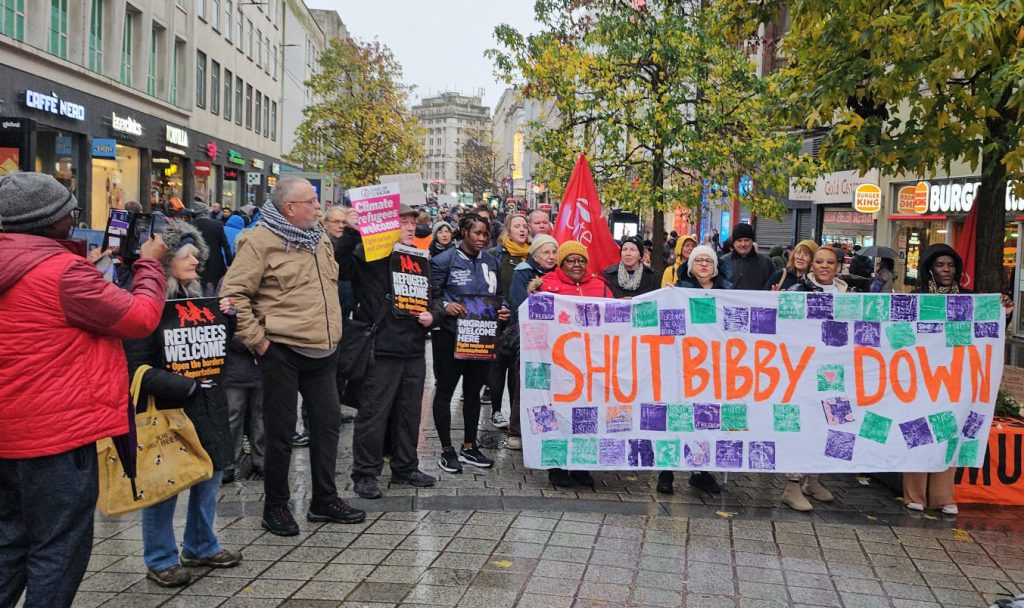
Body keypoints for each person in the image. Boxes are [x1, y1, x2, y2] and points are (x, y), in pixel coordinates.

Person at [0, 173, 167, 607]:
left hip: (7, 436)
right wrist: (150, 264)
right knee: (58, 548)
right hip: (55, 439)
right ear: (51, 221)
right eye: (70, 213)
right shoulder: (63, 274)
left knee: (9, 543)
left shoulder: (47, 269)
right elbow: (140, 317)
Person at [220, 176, 365, 537]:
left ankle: (324, 500)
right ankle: (276, 506)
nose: (318, 207)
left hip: (323, 350)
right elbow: (233, 295)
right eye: (311, 202)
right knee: (280, 432)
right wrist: (259, 342)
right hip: (282, 350)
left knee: (327, 426)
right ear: (290, 208)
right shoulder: (260, 241)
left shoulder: (318, 239)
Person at [124, 221, 242, 586]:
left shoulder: (197, 297)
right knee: (165, 484)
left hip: (206, 403)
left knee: (210, 474)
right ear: (166, 261)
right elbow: (133, 366)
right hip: (167, 409)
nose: (194, 262)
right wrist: (183, 387)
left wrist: (227, 321)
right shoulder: (144, 303)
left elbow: (214, 352)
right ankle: (160, 558)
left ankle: (201, 544)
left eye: (196, 256)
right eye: (186, 255)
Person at [336, 203, 438, 499]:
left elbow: (433, 296)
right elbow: (340, 267)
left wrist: (433, 314)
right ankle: (365, 472)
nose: (409, 227)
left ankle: (405, 465)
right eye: (402, 222)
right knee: (374, 412)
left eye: (412, 223)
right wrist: (351, 233)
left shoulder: (418, 258)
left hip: (413, 346)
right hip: (381, 347)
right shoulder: (369, 256)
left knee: (408, 412)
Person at [429, 213, 510, 474]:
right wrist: (444, 307)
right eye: (477, 233)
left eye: (486, 234)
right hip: (450, 338)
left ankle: (469, 445)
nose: (483, 239)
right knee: (445, 391)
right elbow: (432, 296)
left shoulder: (491, 261)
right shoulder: (444, 261)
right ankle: (445, 449)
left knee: (473, 393)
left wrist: (503, 310)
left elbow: (497, 295)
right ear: (464, 232)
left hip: (481, 338)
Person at [902, 244, 969, 515]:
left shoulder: (968, 299)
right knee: (919, 431)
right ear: (930, 268)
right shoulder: (916, 298)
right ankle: (914, 494)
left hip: (953, 376)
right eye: (941, 265)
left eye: (951, 265)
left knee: (948, 432)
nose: (946, 270)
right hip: (919, 375)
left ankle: (943, 496)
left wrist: (1004, 311)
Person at [537, 241, 609, 487]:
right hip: (558, 363)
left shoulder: (600, 287)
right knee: (557, 413)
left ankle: (581, 465)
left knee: (588, 413)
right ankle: (557, 467)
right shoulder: (546, 285)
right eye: (571, 260)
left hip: (591, 363)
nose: (577, 265)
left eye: (581, 260)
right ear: (561, 262)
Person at [660, 245, 728, 495]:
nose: (703, 264)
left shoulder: (728, 292)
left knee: (706, 417)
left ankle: (701, 472)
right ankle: (666, 471)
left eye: (708, 261)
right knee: (676, 413)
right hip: (681, 362)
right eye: (698, 260)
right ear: (690, 266)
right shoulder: (679, 291)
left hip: (713, 366)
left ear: (715, 267)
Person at [505, 234, 558, 450]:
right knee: (525, 383)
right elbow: (520, 304)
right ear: (535, 254)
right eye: (546, 252)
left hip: (553, 340)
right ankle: (516, 429)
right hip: (529, 339)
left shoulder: (558, 273)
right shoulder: (523, 272)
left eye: (554, 252)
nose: (551, 256)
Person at [488, 214, 531, 430]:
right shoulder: (496, 255)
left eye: (524, 226)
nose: (522, 230)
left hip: (522, 322)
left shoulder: (533, 255)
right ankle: (496, 410)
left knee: (516, 371)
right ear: (508, 230)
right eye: (517, 226)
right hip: (501, 319)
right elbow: (491, 286)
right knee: (498, 367)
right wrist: (500, 306)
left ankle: (516, 413)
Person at [190, 199, 233, 296]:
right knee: (216, 289)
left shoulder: (190, 225)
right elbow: (225, 245)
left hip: (197, 260)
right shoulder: (217, 225)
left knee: (198, 286)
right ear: (206, 212)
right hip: (216, 261)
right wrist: (230, 262)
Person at [720, 223, 774, 290]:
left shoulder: (766, 262)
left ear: (752, 241)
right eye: (739, 241)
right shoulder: (723, 262)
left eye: (746, 240)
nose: (743, 244)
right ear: (734, 243)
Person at [787, 245, 851, 293]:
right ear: (812, 266)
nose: (824, 266)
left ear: (837, 268)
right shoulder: (796, 292)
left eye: (830, 262)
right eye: (819, 262)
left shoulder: (850, 292)